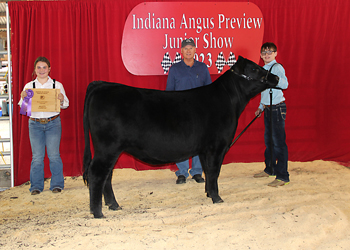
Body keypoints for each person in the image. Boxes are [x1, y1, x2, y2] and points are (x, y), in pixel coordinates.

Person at [18, 56, 69, 195]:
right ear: (35, 70)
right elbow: (24, 110)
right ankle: (36, 186)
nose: (42, 70)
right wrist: (24, 98)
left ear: (49, 69)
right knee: (37, 157)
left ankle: (57, 184)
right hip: (35, 124)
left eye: (44, 67)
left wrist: (62, 99)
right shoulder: (29, 86)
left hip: (53, 123)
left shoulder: (56, 85)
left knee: (54, 155)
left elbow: (66, 105)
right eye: (39, 67)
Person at [166, 38, 212, 184]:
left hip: (199, 113)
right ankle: (182, 172)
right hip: (180, 112)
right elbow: (169, 92)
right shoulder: (174, 69)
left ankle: (197, 172)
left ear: (195, 50)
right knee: (181, 142)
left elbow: (209, 91)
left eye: (191, 48)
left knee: (199, 142)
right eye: (185, 48)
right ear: (181, 51)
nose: (188, 51)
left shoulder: (203, 68)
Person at [253, 42, 289, 187]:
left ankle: (283, 176)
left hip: (277, 108)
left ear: (275, 54)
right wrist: (261, 107)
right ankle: (270, 168)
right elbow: (265, 92)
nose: (267, 55)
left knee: (279, 143)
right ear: (261, 55)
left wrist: (274, 80)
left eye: (270, 52)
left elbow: (285, 84)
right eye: (264, 53)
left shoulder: (277, 67)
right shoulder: (263, 69)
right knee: (269, 141)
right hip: (268, 108)